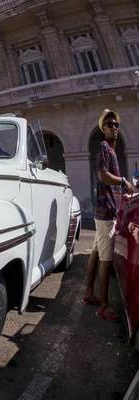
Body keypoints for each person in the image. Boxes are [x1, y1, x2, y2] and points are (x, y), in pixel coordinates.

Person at [83, 109, 135, 322]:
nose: (115, 128)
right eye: (110, 124)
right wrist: (123, 181)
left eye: (117, 125)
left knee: (96, 253)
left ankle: (88, 294)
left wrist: (122, 193)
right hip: (106, 214)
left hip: (106, 210)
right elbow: (103, 175)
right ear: (103, 128)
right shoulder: (104, 147)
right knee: (106, 259)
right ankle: (104, 306)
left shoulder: (112, 151)